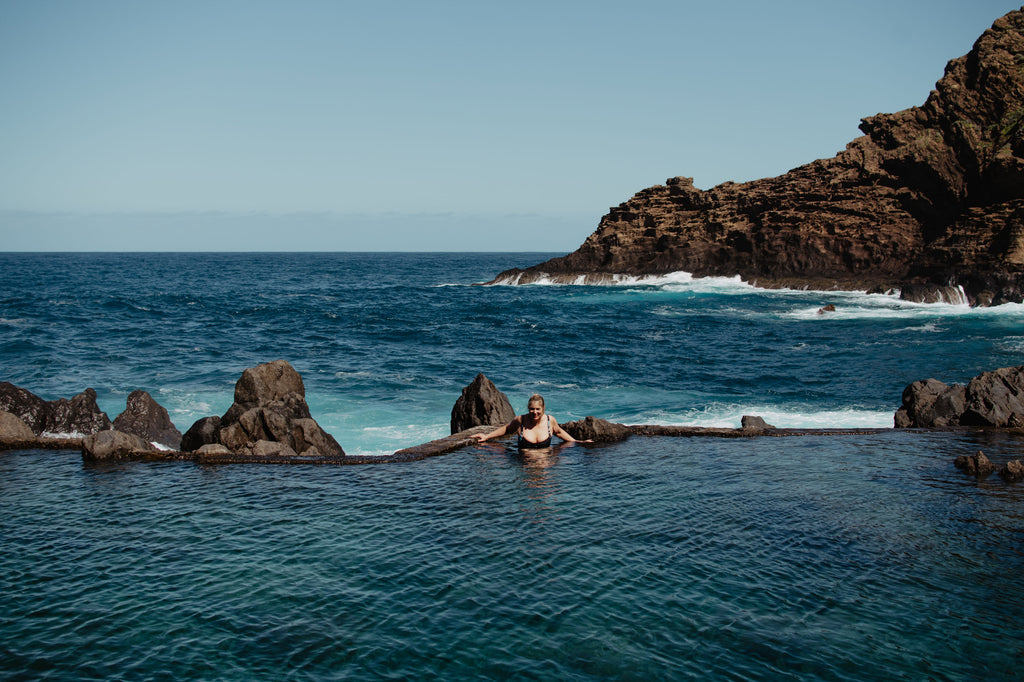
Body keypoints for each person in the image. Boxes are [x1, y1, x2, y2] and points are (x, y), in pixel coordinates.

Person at [472, 394, 588, 448]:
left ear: (543, 409)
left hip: (545, 467)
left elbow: (559, 432)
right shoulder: (521, 420)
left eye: (538, 409)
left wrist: (577, 442)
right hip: (524, 466)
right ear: (528, 408)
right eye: (532, 409)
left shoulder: (549, 421)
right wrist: (487, 436)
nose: (535, 412)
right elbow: (507, 429)